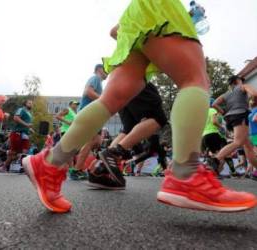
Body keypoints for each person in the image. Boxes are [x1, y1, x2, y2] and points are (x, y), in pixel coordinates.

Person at [23, 0, 257, 213]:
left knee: (110, 100)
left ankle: (49, 163)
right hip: (157, 9)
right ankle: (185, 174)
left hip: (136, 20)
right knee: (195, 79)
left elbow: (116, 31)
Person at [88, 82, 168, 189]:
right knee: (158, 118)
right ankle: (113, 153)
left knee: (128, 129)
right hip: (136, 80)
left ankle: (99, 169)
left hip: (118, 86)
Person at [211, 76, 257, 175]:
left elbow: (214, 104)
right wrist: (252, 100)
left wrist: (223, 112)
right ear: (237, 81)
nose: (242, 82)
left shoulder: (227, 94)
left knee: (248, 146)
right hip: (240, 115)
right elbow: (254, 93)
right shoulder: (243, 86)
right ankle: (216, 159)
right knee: (238, 142)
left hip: (230, 118)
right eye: (241, 80)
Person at [3, 99, 33, 172]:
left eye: (32, 103)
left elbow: (26, 124)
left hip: (25, 134)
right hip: (17, 133)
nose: (31, 104)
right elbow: (16, 118)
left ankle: (22, 167)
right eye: (29, 103)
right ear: (25, 104)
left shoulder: (29, 113)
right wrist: (26, 125)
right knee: (14, 152)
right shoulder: (21, 110)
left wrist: (29, 129)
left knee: (25, 151)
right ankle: (4, 166)